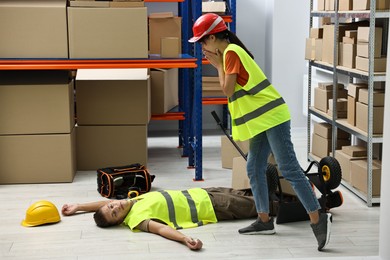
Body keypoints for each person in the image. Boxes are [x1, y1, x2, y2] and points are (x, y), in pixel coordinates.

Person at [188, 13, 332, 251]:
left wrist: (216, 66)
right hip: (262, 121)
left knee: (289, 169)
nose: (202, 46)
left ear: (213, 37)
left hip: (272, 118)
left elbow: (227, 90)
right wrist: (219, 63)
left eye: (203, 41)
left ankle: (318, 218)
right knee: (254, 167)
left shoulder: (231, 54)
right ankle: (264, 221)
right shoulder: (231, 53)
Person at [62, 187, 257, 251]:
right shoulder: (136, 219)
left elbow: (102, 206)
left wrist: (78, 206)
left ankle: (280, 192)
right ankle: (281, 204)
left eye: (111, 205)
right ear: (120, 221)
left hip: (202, 192)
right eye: (114, 213)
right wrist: (184, 239)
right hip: (211, 207)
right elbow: (160, 229)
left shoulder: (130, 201)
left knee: (250, 191)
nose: (115, 207)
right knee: (259, 205)